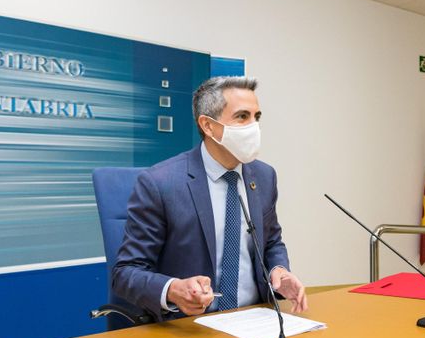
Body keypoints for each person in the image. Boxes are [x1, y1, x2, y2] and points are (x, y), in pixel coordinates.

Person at [112, 76, 307, 321]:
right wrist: (173, 289)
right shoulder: (159, 183)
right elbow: (126, 273)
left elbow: (271, 242)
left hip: (256, 320)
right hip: (191, 328)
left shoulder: (264, 176)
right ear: (208, 125)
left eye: (256, 117)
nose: (253, 127)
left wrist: (280, 271)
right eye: (242, 116)